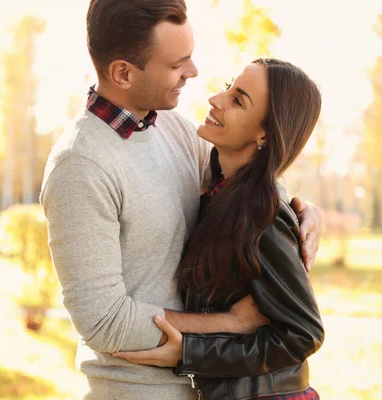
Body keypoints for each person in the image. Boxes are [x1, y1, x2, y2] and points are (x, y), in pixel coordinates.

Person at [40, 1, 323, 398]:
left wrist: (300, 209)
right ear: (123, 72)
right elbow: (105, 323)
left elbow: (242, 185)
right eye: (177, 64)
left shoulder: (173, 128)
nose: (193, 73)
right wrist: (230, 323)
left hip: (206, 387)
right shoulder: (81, 166)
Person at [114, 59, 325, 399]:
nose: (216, 98)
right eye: (228, 86)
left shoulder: (263, 216)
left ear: (265, 134)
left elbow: (303, 333)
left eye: (239, 100)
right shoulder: (219, 193)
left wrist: (191, 354)